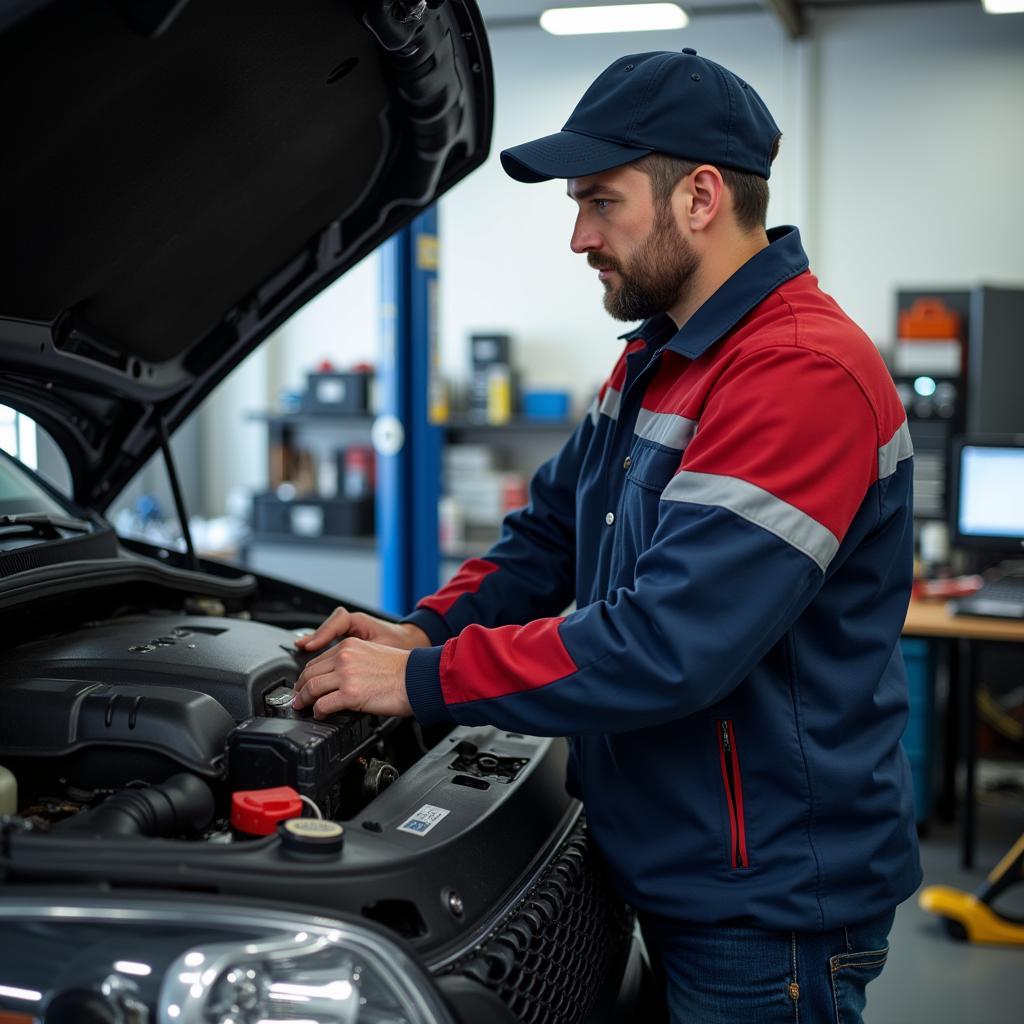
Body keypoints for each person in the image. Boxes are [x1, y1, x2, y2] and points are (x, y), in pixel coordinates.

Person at [292, 48, 921, 1023]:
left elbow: (668, 642)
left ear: (700, 196)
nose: (580, 236)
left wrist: (426, 681)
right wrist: (417, 631)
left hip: (767, 907)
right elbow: (546, 537)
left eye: (602, 201)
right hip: (675, 860)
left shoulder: (799, 376)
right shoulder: (661, 360)